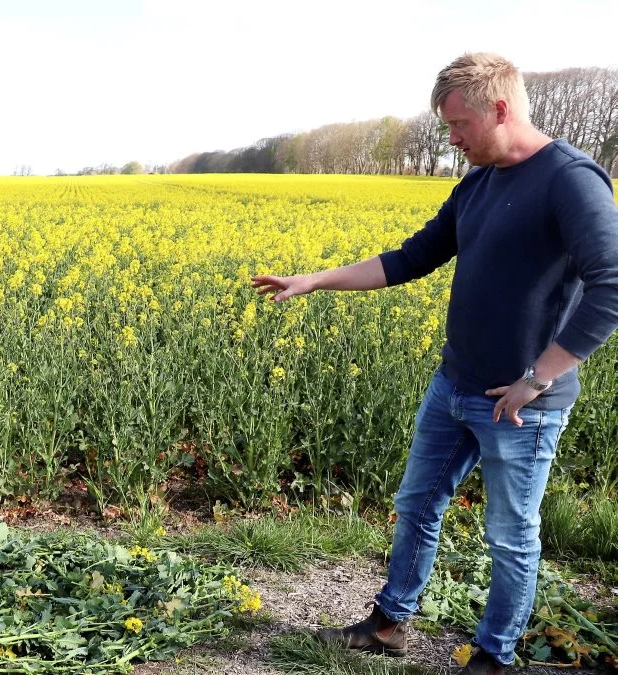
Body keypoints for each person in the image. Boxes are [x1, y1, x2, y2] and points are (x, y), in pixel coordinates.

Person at [251, 53, 618, 675]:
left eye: (458, 125)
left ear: (500, 109)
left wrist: (538, 378)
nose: (451, 139)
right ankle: (390, 624)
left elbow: (610, 284)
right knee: (417, 504)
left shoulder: (570, 179)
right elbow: (411, 257)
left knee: (509, 536)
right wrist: (315, 280)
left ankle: (494, 657)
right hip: (455, 384)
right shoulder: (478, 182)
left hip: (520, 402)